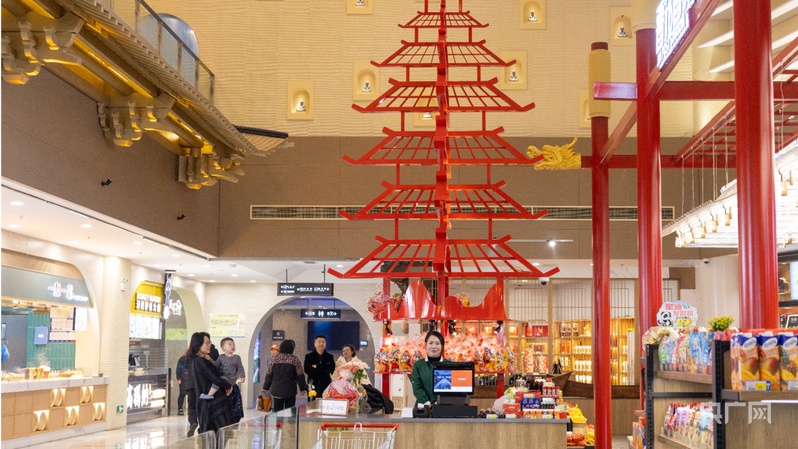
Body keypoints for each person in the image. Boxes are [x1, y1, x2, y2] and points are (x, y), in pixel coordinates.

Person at [188, 332, 231, 435]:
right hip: (212, 405)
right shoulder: (199, 361)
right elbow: (215, 379)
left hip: (213, 402)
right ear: (198, 344)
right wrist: (229, 386)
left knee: (218, 436)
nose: (209, 345)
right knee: (216, 436)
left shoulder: (202, 360)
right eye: (206, 343)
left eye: (209, 342)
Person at [201, 337, 245, 423]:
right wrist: (210, 359)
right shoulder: (221, 357)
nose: (233, 346)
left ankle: (209, 395)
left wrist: (242, 376)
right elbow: (216, 365)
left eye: (233, 344)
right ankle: (227, 391)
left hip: (230, 379)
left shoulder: (237, 358)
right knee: (221, 381)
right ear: (223, 348)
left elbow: (240, 368)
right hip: (224, 378)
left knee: (218, 381)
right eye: (230, 344)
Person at [261, 340, 308, 411]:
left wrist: (265, 387)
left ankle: (278, 418)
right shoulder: (294, 359)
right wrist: (302, 388)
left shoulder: (275, 359)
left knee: (277, 412)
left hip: (277, 390)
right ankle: (290, 419)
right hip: (290, 390)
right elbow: (300, 375)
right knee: (290, 411)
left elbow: (269, 374)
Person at [411, 330, 447, 406]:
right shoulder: (418, 365)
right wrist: (427, 403)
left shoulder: (449, 365)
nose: (434, 346)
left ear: (442, 346)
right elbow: (417, 388)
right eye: (431, 343)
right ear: (425, 345)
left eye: (437, 343)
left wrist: (440, 402)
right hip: (423, 406)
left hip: (443, 407)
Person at [175, 348, 190, 416]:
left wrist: (179, 378)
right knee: (183, 394)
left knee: (185, 394)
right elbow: (178, 369)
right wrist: (178, 378)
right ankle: (181, 409)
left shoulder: (184, 358)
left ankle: (182, 409)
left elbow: (178, 368)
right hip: (185, 378)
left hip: (186, 378)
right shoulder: (183, 358)